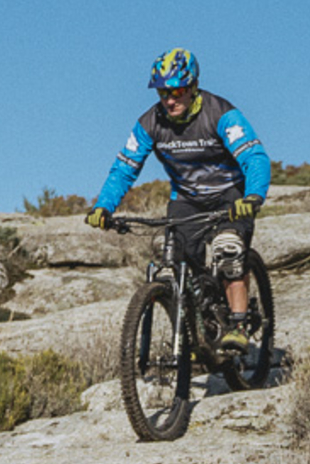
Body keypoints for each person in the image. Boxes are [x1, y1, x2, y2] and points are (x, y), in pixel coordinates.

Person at [84, 48, 270, 345]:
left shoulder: (222, 114)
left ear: (193, 86)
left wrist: (253, 196)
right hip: (186, 200)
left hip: (230, 195)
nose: (169, 100)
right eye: (162, 93)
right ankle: (191, 339)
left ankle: (238, 325)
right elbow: (124, 167)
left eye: (177, 91)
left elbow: (254, 157)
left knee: (229, 252)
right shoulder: (150, 123)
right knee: (179, 270)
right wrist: (104, 206)